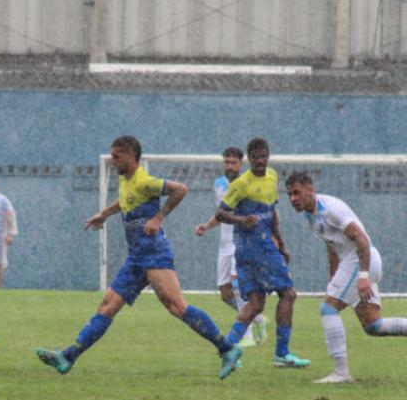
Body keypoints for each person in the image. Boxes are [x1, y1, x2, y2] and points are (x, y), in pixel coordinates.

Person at [35, 136, 244, 379]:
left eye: (116, 157)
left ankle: (228, 349)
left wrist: (159, 218)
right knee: (106, 306)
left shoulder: (145, 180)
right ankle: (67, 356)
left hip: (154, 253)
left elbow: (180, 189)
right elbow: (125, 201)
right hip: (136, 257)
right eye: (111, 156)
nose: (112, 161)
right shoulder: (126, 181)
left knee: (177, 307)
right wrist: (104, 214)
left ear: (130, 157)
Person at [286, 171, 407, 383]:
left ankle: (341, 372)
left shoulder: (330, 209)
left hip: (361, 259)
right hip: (357, 262)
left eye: (297, 193)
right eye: (289, 195)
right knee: (373, 326)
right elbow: (331, 246)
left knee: (328, 308)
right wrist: (333, 276)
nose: (293, 199)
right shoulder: (310, 215)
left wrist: (363, 275)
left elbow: (360, 239)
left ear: (310, 189)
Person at [216, 137, 310, 368]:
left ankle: (228, 351)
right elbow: (220, 214)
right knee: (288, 294)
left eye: (263, 157)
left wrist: (281, 242)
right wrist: (240, 219)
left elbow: (272, 213)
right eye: (255, 158)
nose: (260, 161)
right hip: (253, 247)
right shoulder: (241, 184)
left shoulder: (273, 176)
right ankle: (281, 353)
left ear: (268, 156)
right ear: (249, 159)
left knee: (256, 303)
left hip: (263, 245)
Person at [195, 146, 268, 347]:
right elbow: (222, 214)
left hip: (243, 242)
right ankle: (258, 319)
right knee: (225, 293)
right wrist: (207, 226)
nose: (229, 165)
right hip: (224, 244)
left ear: (241, 163)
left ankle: (247, 336)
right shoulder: (218, 184)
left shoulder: (248, 184)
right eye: (226, 162)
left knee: (238, 286)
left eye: (233, 162)